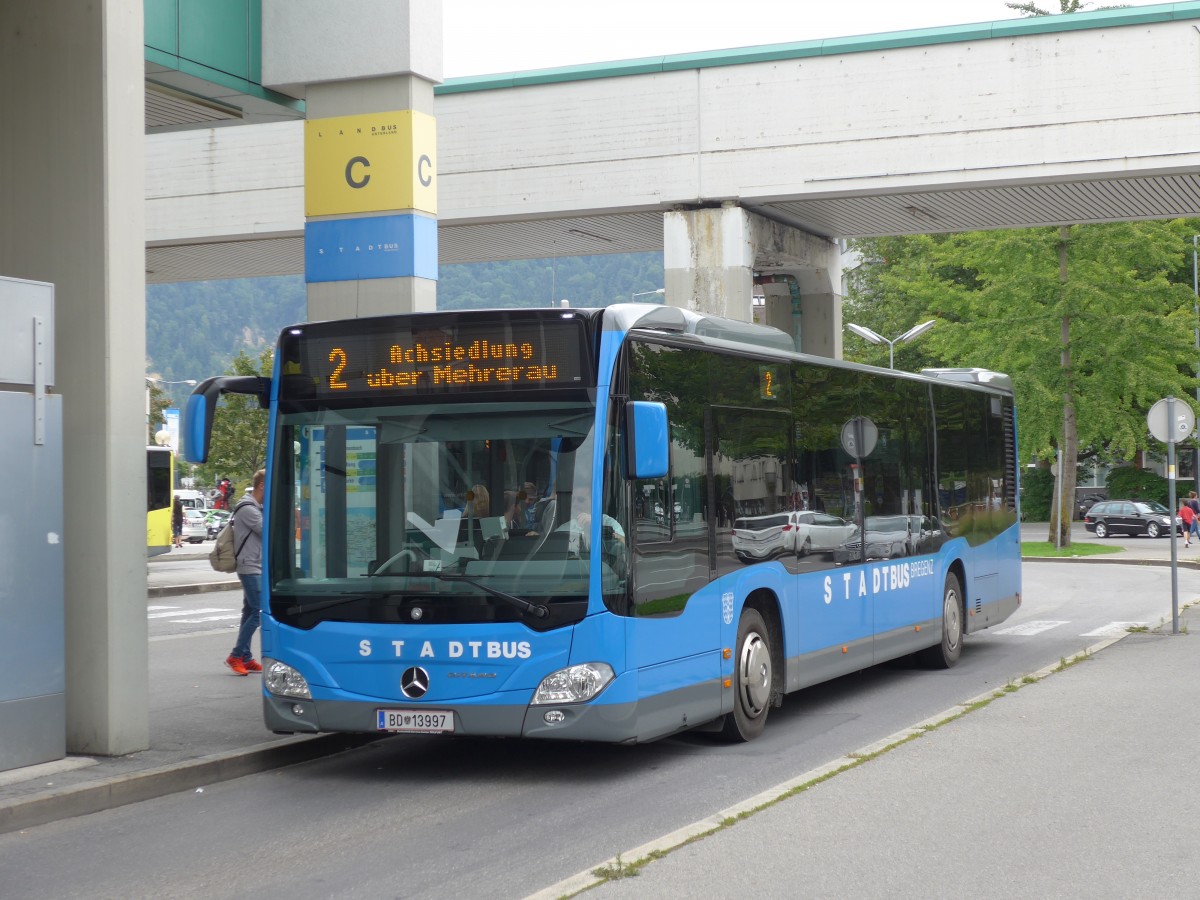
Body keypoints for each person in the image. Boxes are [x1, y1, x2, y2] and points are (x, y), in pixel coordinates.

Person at [225, 470, 265, 676]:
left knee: (249, 611)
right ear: (261, 486)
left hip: (255, 564)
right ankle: (236, 655)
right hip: (250, 566)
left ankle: (246, 658)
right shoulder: (248, 508)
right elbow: (267, 531)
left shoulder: (256, 507)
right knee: (258, 612)